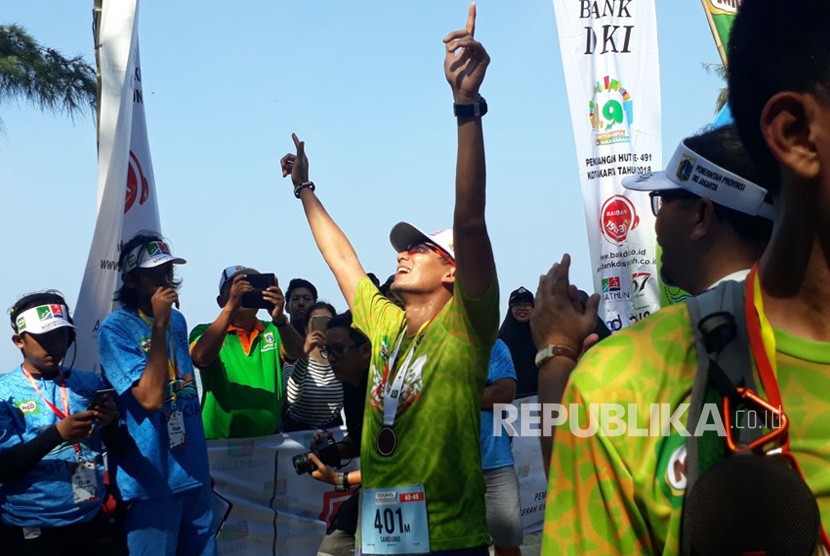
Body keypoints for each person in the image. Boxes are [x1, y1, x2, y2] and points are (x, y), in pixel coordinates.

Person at [541, 0, 830, 552]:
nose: (654, 222)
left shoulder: (633, 375)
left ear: (702, 214)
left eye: (664, 202)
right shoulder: (628, 376)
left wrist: (553, 354)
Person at [279, 5, 496, 553]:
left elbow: (470, 221)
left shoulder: (466, 326)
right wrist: (305, 190)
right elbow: (343, 262)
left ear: (453, 269)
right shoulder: (387, 324)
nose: (403, 253)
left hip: (448, 539)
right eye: (402, 246)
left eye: (420, 248)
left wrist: (465, 107)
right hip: (381, 539)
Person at [97, 232, 215, 555]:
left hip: (193, 472)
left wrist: (165, 322)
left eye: (168, 271)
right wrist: (159, 326)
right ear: (131, 280)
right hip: (151, 482)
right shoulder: (114, 329)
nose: (166, 281)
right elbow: (149, 398)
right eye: (155, 273)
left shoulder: (177, 320)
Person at [0, 291, 120, 553]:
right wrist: (57, 434)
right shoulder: (4, 393)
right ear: (19, 340)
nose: (55, 345)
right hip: (31, 533)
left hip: (90, 523)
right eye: (44, 338)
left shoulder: (88, 384)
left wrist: (110, 423)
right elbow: (4, 466)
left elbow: (118, 446)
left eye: (62, 335)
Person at [623, 123, 774, 295]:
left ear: (701, 216)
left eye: (663, 200)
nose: (657, 220)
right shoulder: (798, 315)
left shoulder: (676, 322)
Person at [189, 266, 303, 439]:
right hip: (218, 444)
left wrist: (280, 318)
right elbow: (200, 357)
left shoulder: (273, 329)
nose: (245, 291)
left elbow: (296, 352)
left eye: (251, 286)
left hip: (267, 443)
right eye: (237, 286)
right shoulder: (204, 331)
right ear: (221, 300)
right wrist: (230, 308)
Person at [303, 311, 371, 556]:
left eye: (338, 351)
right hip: (375, 487)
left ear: (365, 351)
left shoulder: (385, 389)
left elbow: (393, 462)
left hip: (407, 494)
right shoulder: (349, 384)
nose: (331, 359)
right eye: (327, 351)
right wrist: (331, 451)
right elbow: (357, 440)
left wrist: (339, 479)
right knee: (331, 551)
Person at [481, 339, 522, 556]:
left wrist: (453, 395)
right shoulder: (432, 344)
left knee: (507, 543)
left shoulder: (495, 345)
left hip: (496, 462)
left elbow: (504, 393)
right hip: (450, 468)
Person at [283, 301, 344, 431]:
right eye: (317, 321)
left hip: (333, 431)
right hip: (297, 433)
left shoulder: (343, 359)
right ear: (306, 329)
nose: (322, 326)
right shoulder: (293, 355)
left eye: (328, 322)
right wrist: (304, 354)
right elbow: (291, 397)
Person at [498, 287, 538, 397]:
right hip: (511, 402)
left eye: (526, 304)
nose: (522, 308)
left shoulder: (544, 336)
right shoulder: (500, 340)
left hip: (542, 399)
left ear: (533, 308)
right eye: (517, 305)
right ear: (510, 309)